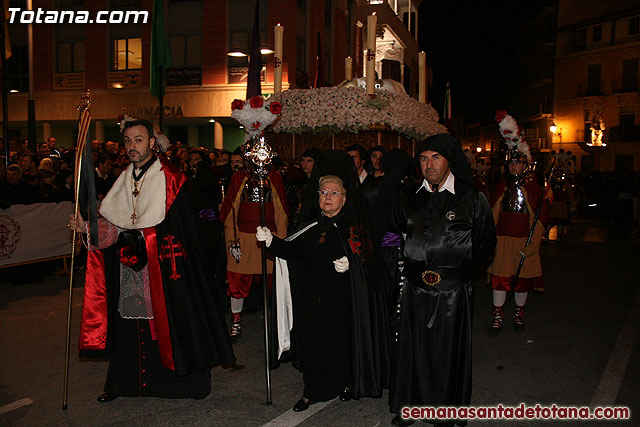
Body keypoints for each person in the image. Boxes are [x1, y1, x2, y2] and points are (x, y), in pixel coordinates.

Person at [68, 119, 235, 402]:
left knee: (169, 323)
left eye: (139, 140)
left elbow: (181, 229)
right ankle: (125, 383)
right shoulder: (123, 179)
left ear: (151, 142)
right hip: (130, 268)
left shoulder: (170, 178)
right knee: (129, 326)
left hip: (165, 268)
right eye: (128, 141)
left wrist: (149, 242)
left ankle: (178, 384)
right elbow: (114, 225)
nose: (132, 146)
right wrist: (88, 229)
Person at [258, 152, 390, 412]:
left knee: (340, 343)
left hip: (343, 299)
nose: (327, 198)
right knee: (313, 345)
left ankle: (344, 383)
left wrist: (351, 265)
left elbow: (371, 265)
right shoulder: (310, 226)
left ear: (344, 197)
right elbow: (293, 252)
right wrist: (271, 241)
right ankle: (312, 391)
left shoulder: (353, 227)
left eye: (333, 193)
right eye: (322, 193)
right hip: (312, 298)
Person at [387, 134, 496, 426]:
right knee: (412, 348)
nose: (429, 164)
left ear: (449, 160)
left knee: (448, 352)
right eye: (423, 158)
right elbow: (399, 231)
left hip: (452, 290)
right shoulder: (408, 196)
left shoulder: (471, 197)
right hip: (415, 287)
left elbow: (485, 244)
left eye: (436, 157)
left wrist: (456, 273)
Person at [488, 111, 548, 333]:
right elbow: (493, 212)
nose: (514, 167)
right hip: (503, 240)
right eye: (511, 163)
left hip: (525, 239)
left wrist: (534, 242)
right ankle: (497, 314)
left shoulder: (532, 188)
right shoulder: (502, 185)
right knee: (500, 279)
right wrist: (489, 237)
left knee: (523, 281)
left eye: (518, 163)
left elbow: (539, 216)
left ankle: (518, 314)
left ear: (525, 165)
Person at [219, 157, 289, 339]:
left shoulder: (273, 177)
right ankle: (235, 321)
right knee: (237, 280)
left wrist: (280, 242)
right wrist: (232, 241)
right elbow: (231, 210)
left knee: (275, 282)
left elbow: (281, 211)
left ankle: (279, 323)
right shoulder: (239, 177)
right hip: (243, 237)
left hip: (269, 235)